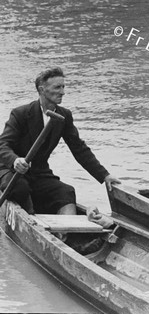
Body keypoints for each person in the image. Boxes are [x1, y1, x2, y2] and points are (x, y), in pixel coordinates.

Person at [0, 67, 121, 215]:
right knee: (20, 188)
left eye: (63, 87)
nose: (63, 92)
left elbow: (79, 149)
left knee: (66, 192)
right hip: (11, 171)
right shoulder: (21, 113)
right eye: (57, 87)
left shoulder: (64, 116)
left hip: (39, 173)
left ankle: (66, 233)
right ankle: (30, 221)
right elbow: (3, 145)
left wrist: (104, 176)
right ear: (42, 89)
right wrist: (15, 160)